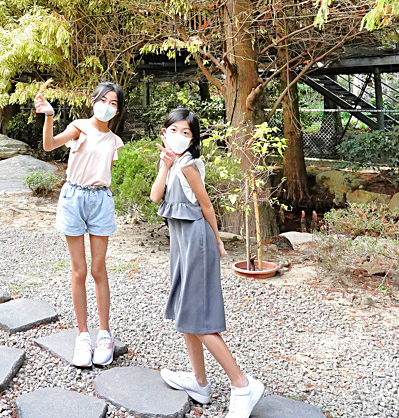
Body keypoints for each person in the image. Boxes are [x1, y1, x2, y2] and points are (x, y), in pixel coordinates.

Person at [149, 108, 264, 418]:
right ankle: (200, 382)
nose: (179, 137)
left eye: (186, 133)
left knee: (198, 318)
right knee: (187, 313)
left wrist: (217, 240)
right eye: (174, 130)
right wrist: (164, 164)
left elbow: (206, 204)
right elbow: (155, 196)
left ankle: (243, 385)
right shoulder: (173, 164)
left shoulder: (188, 166)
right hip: (182, 246)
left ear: (193, 139)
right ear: (164, 133)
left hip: (197, 242)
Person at [34, 81, 125, 368]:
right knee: (79, 271)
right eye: (104, 100)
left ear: (118, 109)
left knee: (99, 269)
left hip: (101, 200)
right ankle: (83, 334)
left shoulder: (114, 141)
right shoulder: (80, 127)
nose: (107, 106)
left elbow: (104, 174)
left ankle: (104, 334)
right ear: (93, 100)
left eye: (113, 103)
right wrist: (49, 116)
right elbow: (49, 146)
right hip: (73, 197)